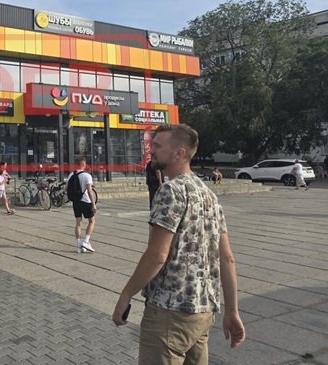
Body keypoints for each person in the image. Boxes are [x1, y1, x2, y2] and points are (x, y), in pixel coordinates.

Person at [112, 124, 245, 363]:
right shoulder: (209, 195)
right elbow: (227, 258)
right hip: (202, 312)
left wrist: (125, 295)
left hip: (169, 314)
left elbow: (157, 255)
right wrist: (232, 311)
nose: (152, 150)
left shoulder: (170, 191)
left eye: (158, 146)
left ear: (179, 153)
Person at [68, 156, 97, 253]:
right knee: (92, 221)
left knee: (78, 223)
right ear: (84, 164)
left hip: (76, 202)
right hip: (85, 201)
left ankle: (78, 246)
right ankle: (86, 241)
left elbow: (66, 188)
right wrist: (93, 204)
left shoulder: (71, 174)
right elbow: (89, 191)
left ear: (76, 164)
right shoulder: (87, 176)